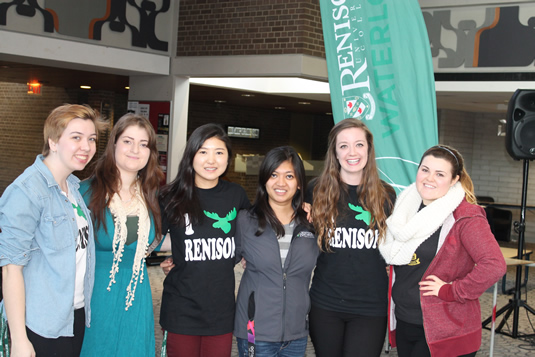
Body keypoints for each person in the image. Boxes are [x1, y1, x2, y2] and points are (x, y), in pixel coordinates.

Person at [379, 145, 507, 357]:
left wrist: (451, 290)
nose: (430, 178)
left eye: (440, 174)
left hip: (446, 329)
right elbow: (413, 253)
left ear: (455, 179)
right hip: (406, 320)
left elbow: (494, 265)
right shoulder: (406, 207)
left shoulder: (466, 215)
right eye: (425, 170)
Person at [0, 104, 106, 356]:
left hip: (73, 314)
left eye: (91, 139)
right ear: (53, 141)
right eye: (76, 137)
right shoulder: (26, 191)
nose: (86, 147)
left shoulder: (73, 187)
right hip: (39, 323)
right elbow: (10, 270)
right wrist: (19, 339)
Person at [79, 113, 167, 356]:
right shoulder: (85, 192)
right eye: (128, 141)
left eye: (143, 144)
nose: (135, 150)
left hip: (137, 295)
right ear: (114, 144)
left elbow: (152, 239)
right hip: (95, 295)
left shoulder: (151, 196)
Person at [306, 118, 396, 357]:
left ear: (369, 149)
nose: (352, 152)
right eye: (343, 146)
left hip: (370, 306)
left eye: (359, 144)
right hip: (325, 303)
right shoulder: (315, 190)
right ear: (335, 152)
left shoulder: (386, 195)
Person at [159, 123, 250, 357]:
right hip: (181, 308)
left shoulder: (236, 195)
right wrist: (172, 255)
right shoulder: (171, 196)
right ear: (191, 155)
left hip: (220, 310)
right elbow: (153, 239)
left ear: (228, 158)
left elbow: (253, 232)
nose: (211, 160)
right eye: (203, 151)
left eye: (219, 152)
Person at [234, 146, 319, 357]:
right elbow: (219, 260)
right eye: (274, 175)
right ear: (264, 180)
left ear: (299, 183)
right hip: (255, 332)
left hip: (296, 334)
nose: (281, 183)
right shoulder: (245, 220)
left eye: (289, 176)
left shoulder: (311, 223)